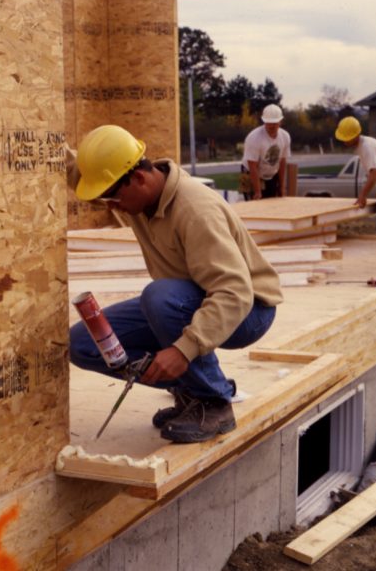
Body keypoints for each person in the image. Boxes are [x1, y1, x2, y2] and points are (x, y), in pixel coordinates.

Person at [67, 125, 284, 443]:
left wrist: (184, 350)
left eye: (113, 198)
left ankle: (213, 402)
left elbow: (234, 291)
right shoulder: (135, 195)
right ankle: (189, 390)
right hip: (187, 300)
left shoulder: (195, 210)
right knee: (84, 343)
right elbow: (83, 174)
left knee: (160, 297)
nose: (110, 207)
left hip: (248, 310)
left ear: (139, 178)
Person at [241, 104, 291, 199]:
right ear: (264, 121)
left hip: (271, 173)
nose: (271, 126)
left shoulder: (285, 137)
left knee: (271, 203)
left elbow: (282, 162)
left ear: (280, 122)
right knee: (253, 206)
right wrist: (257, 191)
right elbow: (252, 165)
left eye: (274, 123)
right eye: (268, 123)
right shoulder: (254, 138)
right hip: (250, 173)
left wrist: (282, 187)